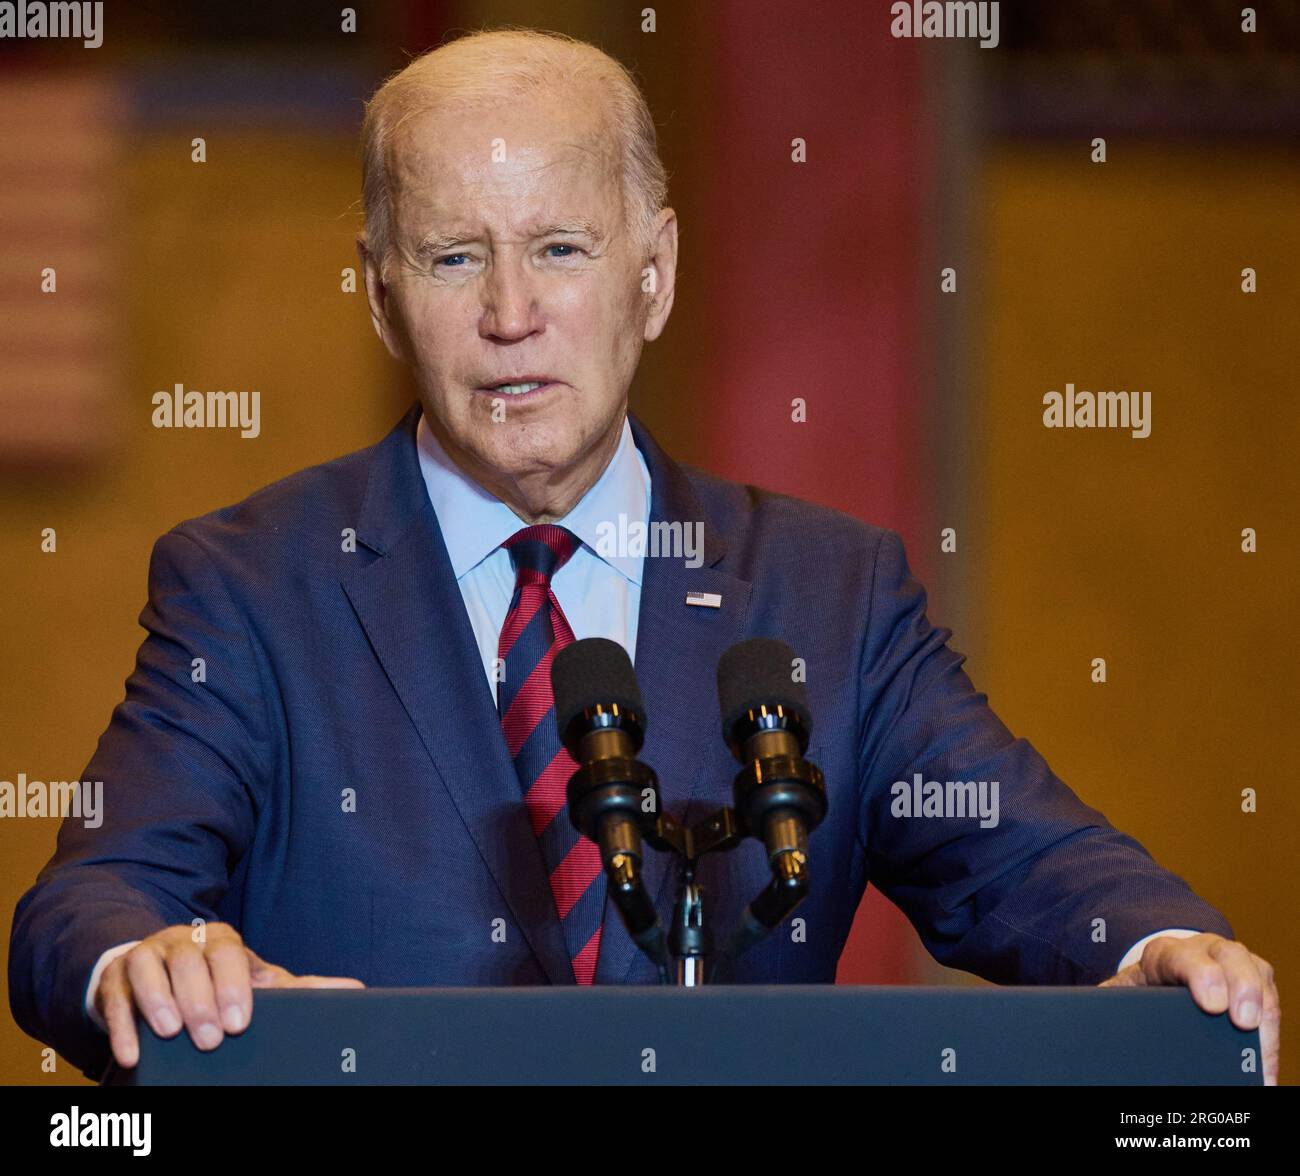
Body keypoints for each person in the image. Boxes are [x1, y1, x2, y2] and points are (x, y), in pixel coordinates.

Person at [9, 27, 1279, 1084]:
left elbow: (1025, 858)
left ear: (654, 274)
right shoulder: (251, 586)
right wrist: (148, 958)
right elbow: (88, 902)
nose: (511, 315)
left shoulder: (828, 595)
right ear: (381, 294)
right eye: (455, 257)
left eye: (562, 248)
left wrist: (1159, 945)